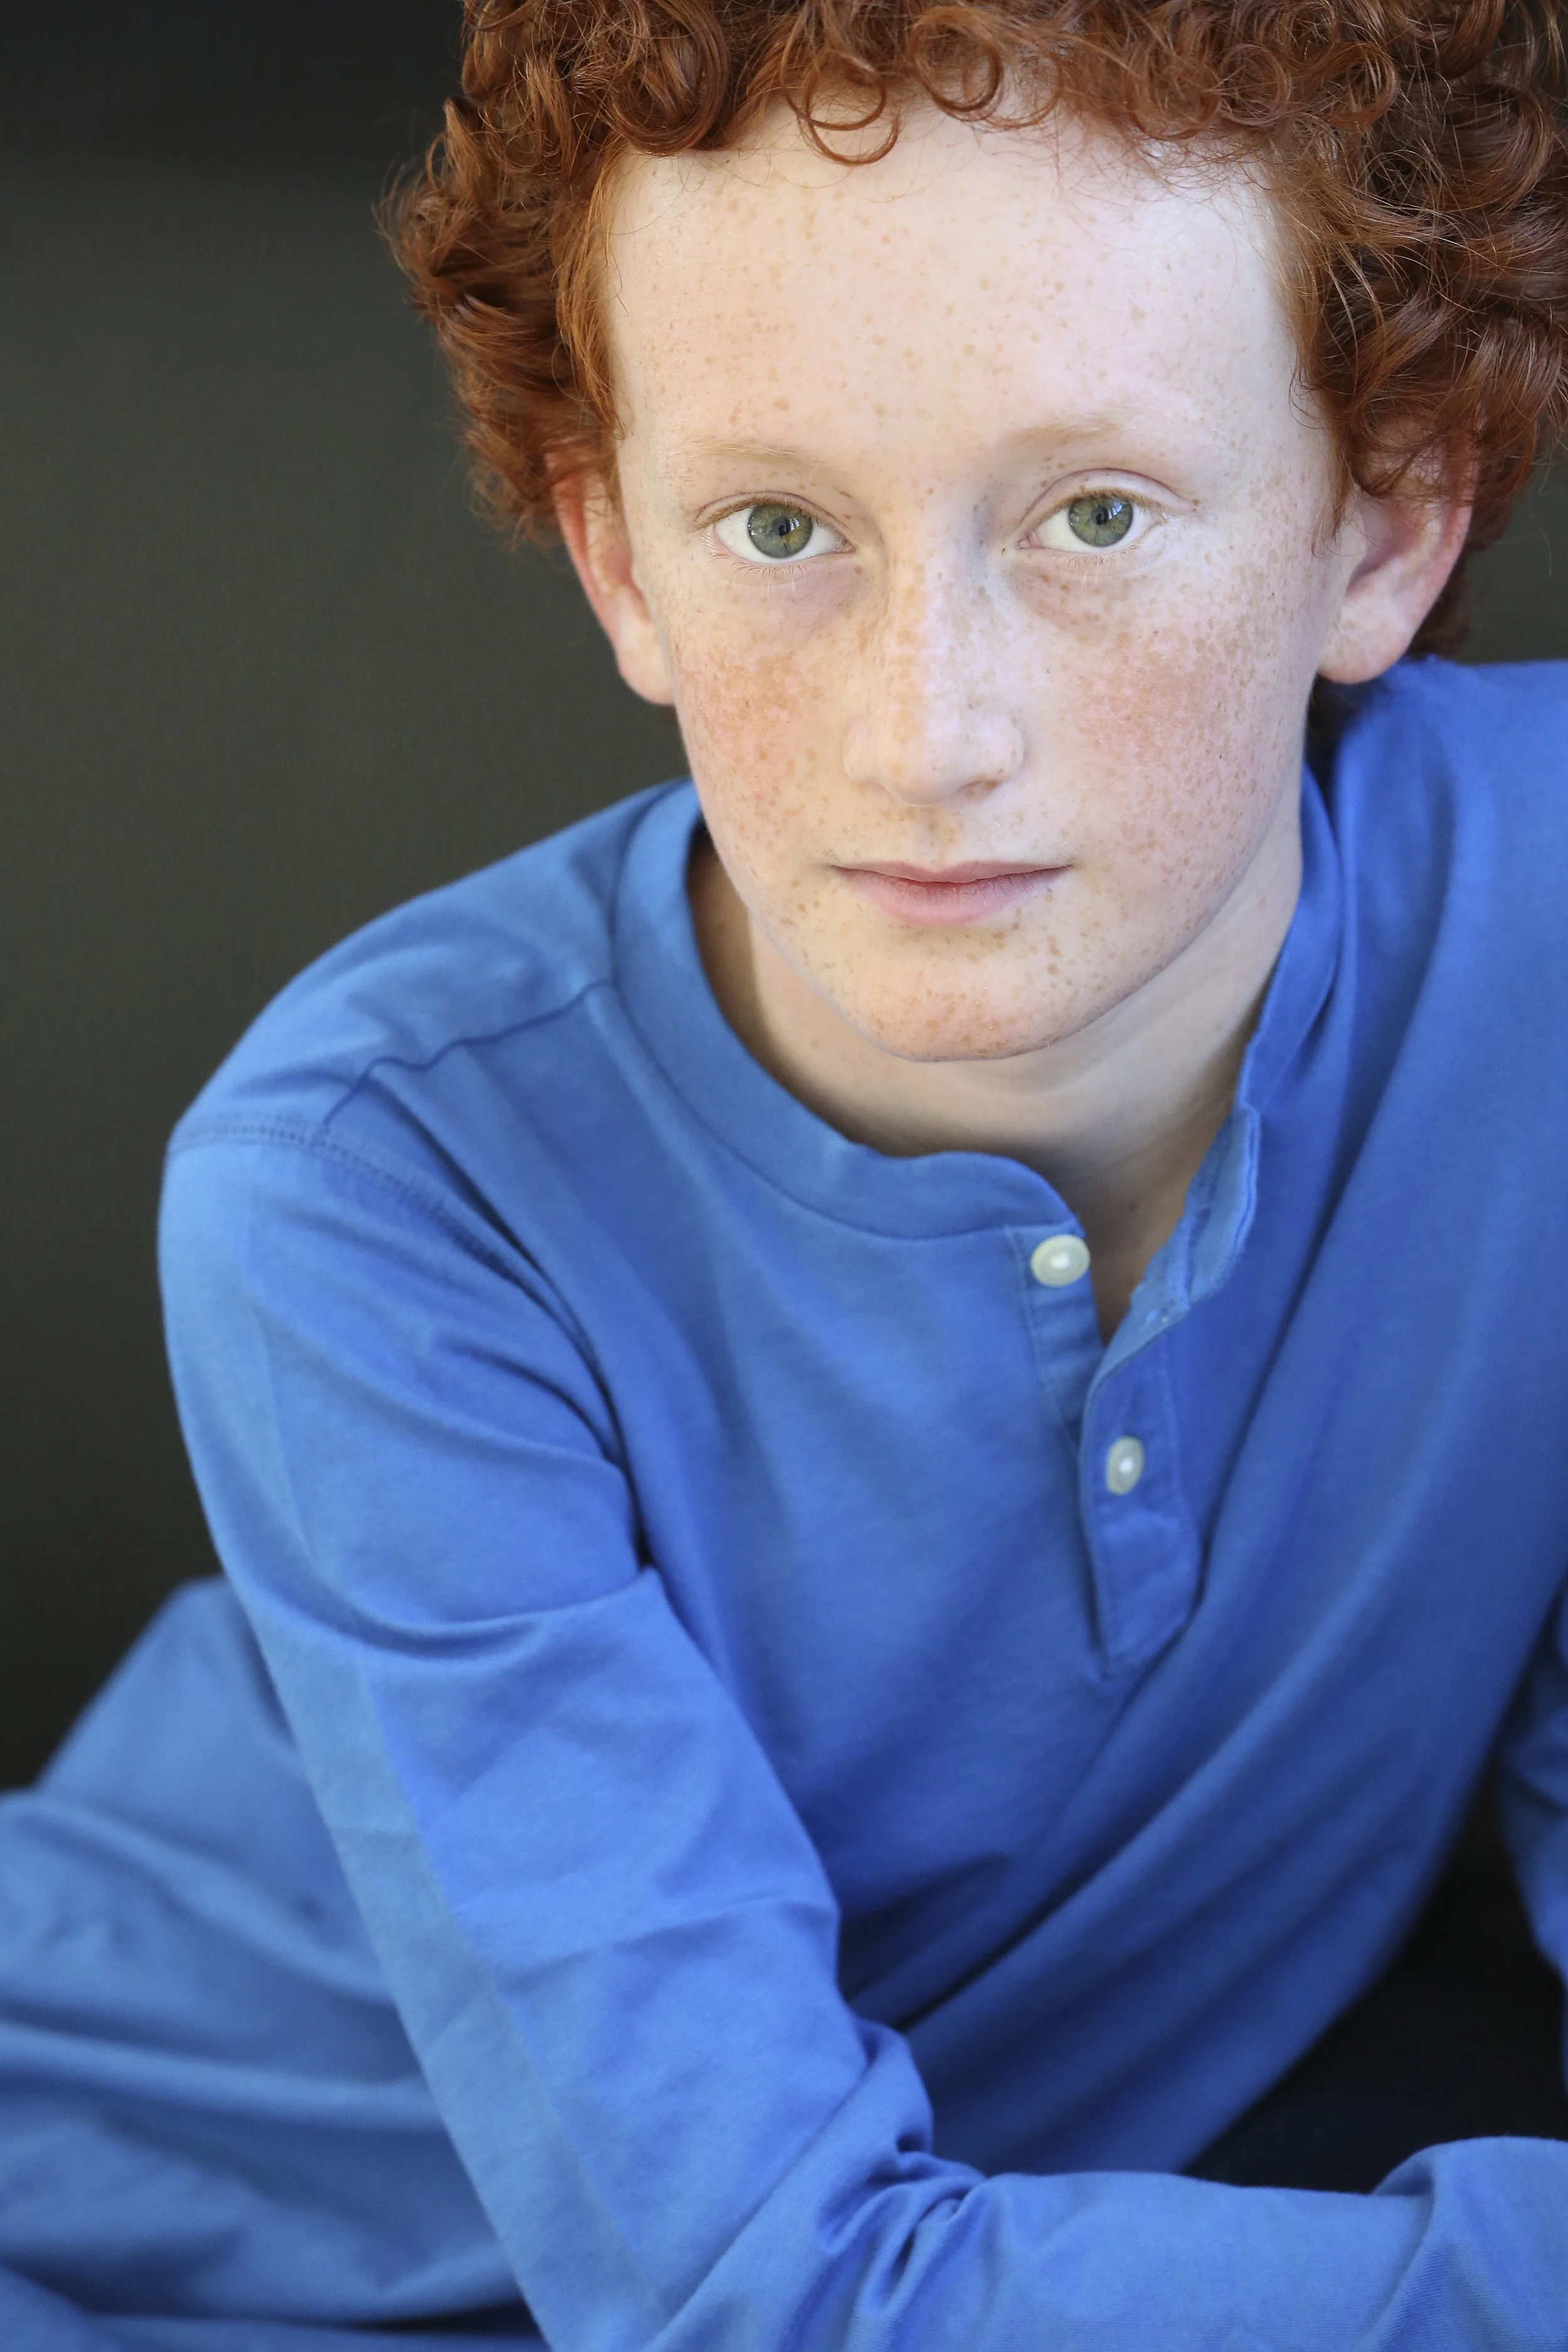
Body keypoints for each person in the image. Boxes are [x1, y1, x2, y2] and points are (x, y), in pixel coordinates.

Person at [4, 1, 1568, 2344]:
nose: (923, 730)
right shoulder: (366, 1189)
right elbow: (775, 2293)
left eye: (1097, 514)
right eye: (777, 525)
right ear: (620, 562)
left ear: (1390, 518)